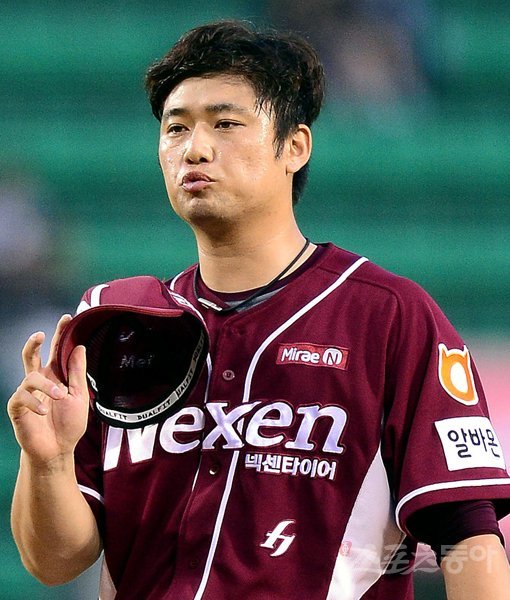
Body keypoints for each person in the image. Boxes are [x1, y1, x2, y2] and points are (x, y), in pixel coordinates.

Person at [7, 20, 510, 600]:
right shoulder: (117, 324)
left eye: (225, 124)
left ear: (295, 146)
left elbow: (467, 534)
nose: (195, 148)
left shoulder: (389, 316)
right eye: (176, 128)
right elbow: (55, 562)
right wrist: (48, 462)